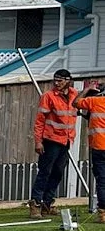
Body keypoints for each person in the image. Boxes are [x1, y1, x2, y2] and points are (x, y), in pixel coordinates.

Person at [29, 69, 80, 218]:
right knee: (45, 172)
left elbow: (82, 103)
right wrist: (38, 141)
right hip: (51, 140)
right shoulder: (48, 96)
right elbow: (40, 121)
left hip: (66, 140)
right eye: (55, 80)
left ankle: (47, 202)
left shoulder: (74, 95)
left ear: (68, 81)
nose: (57, 83)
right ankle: (35, 203)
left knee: (57, 172)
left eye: (60, 80)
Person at [77, 77, 105, 223]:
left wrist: (87, 90)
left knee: (102, 181)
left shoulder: (95, 101)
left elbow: (76, 103)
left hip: (99, 146)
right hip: (99, 146)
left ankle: (103, 213)